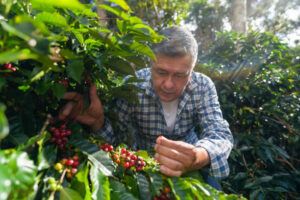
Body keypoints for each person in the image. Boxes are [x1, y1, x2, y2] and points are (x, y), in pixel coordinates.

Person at [59, 26, 233, 190]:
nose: (169, 84)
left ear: (192, 69)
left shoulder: (202, 86)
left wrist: (198, 155)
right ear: (150, 64)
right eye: (161, 72)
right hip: (146, 165)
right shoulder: (133, 85)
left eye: (180, 75)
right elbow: (114, 140)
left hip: (191, 161)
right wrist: (98, 123)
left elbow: (219, 133)